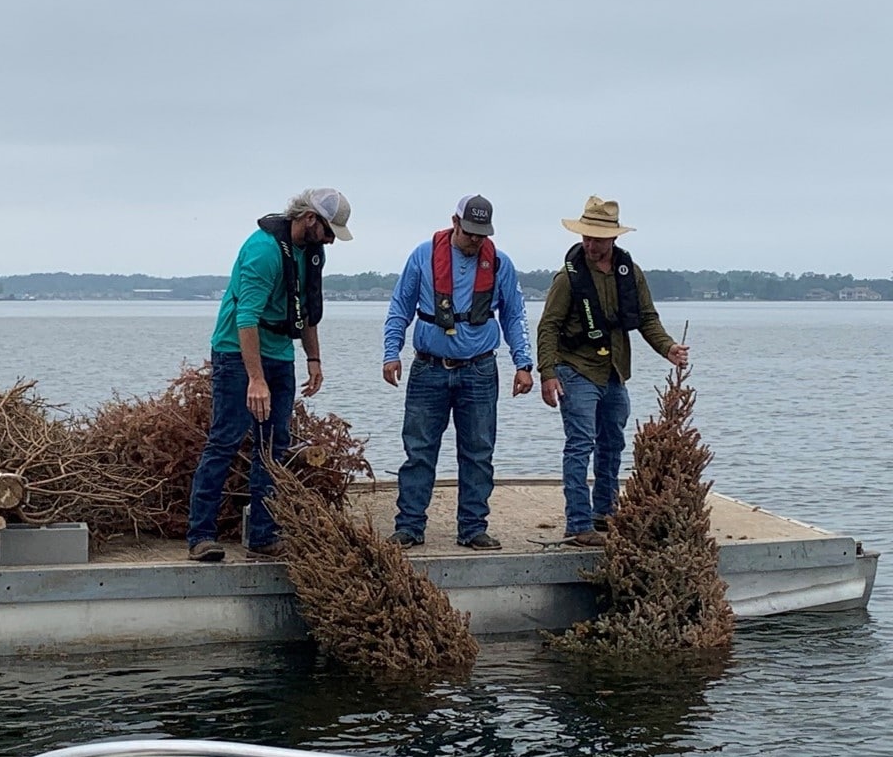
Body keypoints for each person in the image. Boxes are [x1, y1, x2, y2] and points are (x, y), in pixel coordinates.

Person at [187, 188, 353, 562]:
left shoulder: (312, 253)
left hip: (280, 353)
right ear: (310, 219)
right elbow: (246, 319)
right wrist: (255, 379)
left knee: (274, 448)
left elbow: (308, 309)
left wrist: (314, 359)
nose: (330, 240)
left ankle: (262, 536)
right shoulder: (263, 252)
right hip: (236, 352)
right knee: (225, 440)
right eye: (328, 231)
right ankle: (201, 537)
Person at [383, 194, 534, 551]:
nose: (475, 240)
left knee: (479, 451)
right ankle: (409, 526)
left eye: (482, 234)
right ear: (455, 222)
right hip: (427, 369)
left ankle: (472, 527)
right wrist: (391, 353)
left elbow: (514, 316)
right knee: (418, 449)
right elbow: (400, 307)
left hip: (480, 370)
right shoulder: (422, 256)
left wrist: (524, 364)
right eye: (469, 232)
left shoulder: (500, 264)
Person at [537, 196, 689, 546]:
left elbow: (647, 318)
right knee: (580, 444)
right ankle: (577, 524)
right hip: (575, 369)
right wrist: (548, 373)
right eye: (586, 237)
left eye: (597, 239)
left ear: (614, 239)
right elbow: (548, 326)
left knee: (613, 443)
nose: (589, 244)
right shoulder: (568, 277)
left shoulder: (630, 273)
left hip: (614, 371)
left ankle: (604, 513)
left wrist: (668, 348)